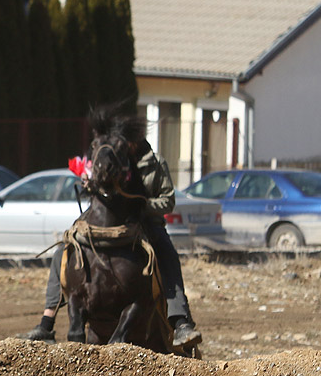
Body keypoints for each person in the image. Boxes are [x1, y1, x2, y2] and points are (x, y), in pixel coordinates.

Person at [20, 137, 202, 349]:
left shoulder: (154, 162)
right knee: (64, 247)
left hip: (145, 221)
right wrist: (89, 184)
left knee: (167, 254)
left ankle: (180, 323)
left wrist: (140, 204)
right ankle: (47, 322)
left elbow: (168, 201)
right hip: (106, 217)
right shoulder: (108, 157)